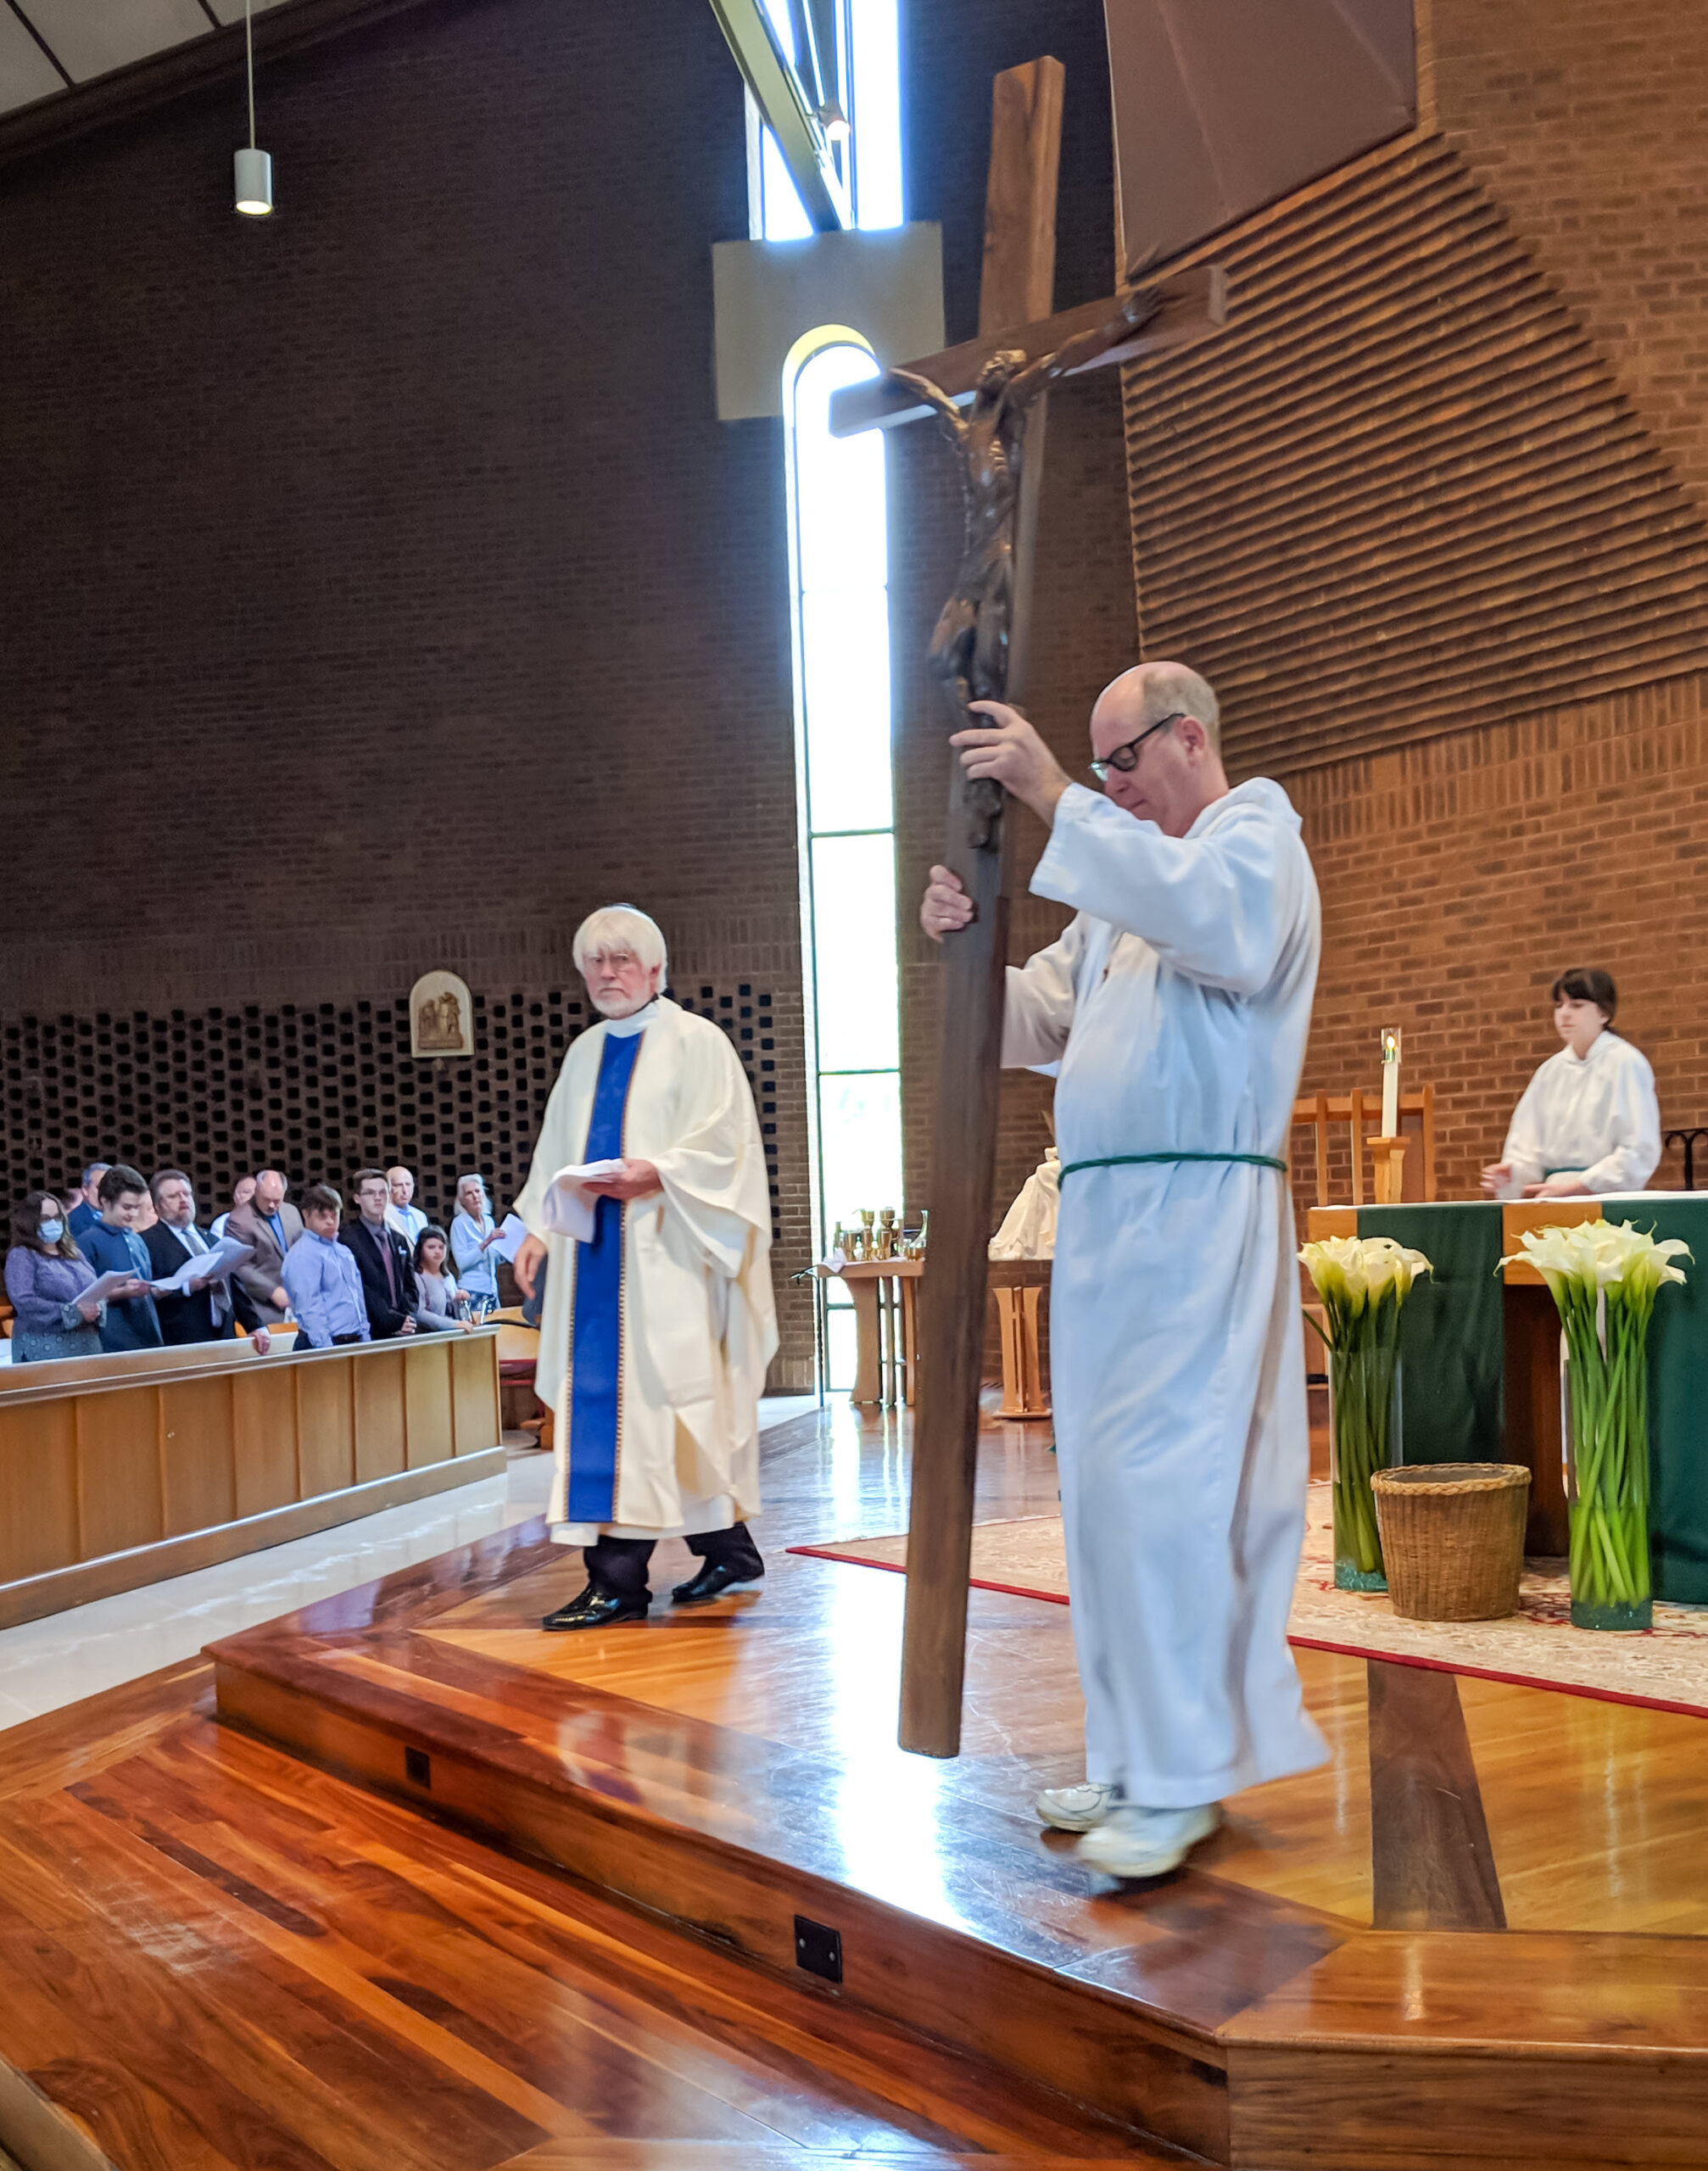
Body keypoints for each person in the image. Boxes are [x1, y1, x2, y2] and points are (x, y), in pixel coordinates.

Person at [919, 661, 1325, 1879]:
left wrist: (1050, 792)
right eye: (1093, 767)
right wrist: (961, 949)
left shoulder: (1254, 846)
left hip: (1197, 1213)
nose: (1106, 787)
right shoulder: (1120, 896)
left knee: (1170, 1487)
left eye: (1118, 762)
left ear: (1185, 737)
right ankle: (1140, 1757)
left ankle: (1181, 1777)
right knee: (1101, 1494)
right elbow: (1035, 1019)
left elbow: (1213, 926)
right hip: (1106, 1221)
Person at [511, 904, 777, 1630]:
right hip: (594, 1265)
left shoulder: (699, 1043)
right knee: (641, 1421)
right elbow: (555, 1154)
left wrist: (655, 1171)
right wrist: (537, 1226)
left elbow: (727, 1147)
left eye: (622, 959)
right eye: (595, 961)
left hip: (668, 1264)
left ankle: (620, 1584)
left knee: (661, 1416)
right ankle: (727, 1551)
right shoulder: (584, 1053)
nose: (607, 972)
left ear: (658, 968)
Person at [1481, 968, 1661, 1199]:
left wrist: (1578, 1187)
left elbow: (1639, 1148)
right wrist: (1512, 1173)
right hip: (1552, 1196)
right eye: (1559, 1005)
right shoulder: (1550, 1072)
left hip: (1608, 1197)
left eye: (1576, 1005)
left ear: (1604, 1013)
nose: (1564, 1014)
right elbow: (1527, 1144)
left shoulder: (1626, 1063)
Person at [3, 1192, 127, 1362]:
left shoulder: (74, 1253)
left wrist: (97, 1306)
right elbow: (24, 1300)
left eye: (57, 1217)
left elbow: (94, 1289)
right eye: (45, 1219)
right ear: (30, 1222)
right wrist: (72, 1312)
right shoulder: (23, 1255)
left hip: (87, 1347)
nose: (53, 1223)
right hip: (45, 1351)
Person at [342, 1169, 436, 1339]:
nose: (378, 1198)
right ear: (357, 1198)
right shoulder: (348, 1239)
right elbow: (361, 1289)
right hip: (370, 1330)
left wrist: (407, 1318)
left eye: (382, 1192)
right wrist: (391, 1322)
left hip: (403, 1326)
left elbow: (410, 1285)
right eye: (370, 1193)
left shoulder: (398, 1238)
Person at [79, 1164, 165, 1352]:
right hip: (112, 1339)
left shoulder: (136, 1239)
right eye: (127, 1207)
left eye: (137, 1207)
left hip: (147, 1332)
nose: (133, 1214)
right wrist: (122, 1292)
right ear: (105, 1202)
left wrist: (157, 1290)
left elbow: (146, 1283)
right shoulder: (87, 1241)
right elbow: (81, 1299)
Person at [142, 1170, 232, 1344]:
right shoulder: (147, 1242)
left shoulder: (211, 1239)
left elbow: (234, 1286)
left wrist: (255, 1326)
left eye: (186, 1194)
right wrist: (185, 1287)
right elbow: (148, 1292)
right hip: (182, 1338)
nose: (183, 1199)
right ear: (157, 1206)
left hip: (224, 1336)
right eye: (173, 1196)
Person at [282, 1185, 370, 1348]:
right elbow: (310, 1309)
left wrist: (365, 1336)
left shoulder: (344, 1251)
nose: (330, 1221)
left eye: (334, 1215)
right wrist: (326, 1351)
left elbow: (358, 1298)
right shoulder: (303, 1255)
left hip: (353, 1339)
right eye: (322, 1216)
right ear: (306, 1215)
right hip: (323, 1344)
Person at [228, 1169, 304, 1327]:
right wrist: (271, 1291)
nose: (271, 1205)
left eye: (277, 1200)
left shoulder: (292, 1212)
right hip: (263, 1306)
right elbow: (238, 1265)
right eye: (266, 1199)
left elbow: (301, 1251)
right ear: (256, 1190)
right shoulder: (239, 1220)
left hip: (299, 1301)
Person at [449, 1175, 502, 1313]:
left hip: (491, 1290)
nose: (475, 1196)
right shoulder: (459, 1223)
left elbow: (493, 1258)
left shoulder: (489, 1220)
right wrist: (486, 1242)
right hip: (472, 1290)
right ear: (462, 1200)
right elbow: (462, 1262)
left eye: (478, 1191)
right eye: (469, 1193)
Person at [412, 1225, 466, 1330]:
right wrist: (452, 1325)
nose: (437, 1251)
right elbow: (419, 1313)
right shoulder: (417, 1277)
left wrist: (461, 1300)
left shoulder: (448, 1276)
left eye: (441, 1247)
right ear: (420, 1249)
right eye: (431, 1247)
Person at [386, 1166, 428, 1247]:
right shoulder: (382, 1216)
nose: (405, 1190)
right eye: (398, 1185)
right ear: (388, 1187)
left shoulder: (420, 1216)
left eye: (408, 1184)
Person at [66, 1162, 110, 1239]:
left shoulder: (121, 1217)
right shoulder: (76, 1221)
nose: (107, 1192)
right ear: (86, 1190)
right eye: (100, 1187)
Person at [211, 1174, 256, 1242]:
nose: (253, 1196)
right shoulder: (222, 1223)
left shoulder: (267, 1222)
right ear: (235, 1197)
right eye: (247, 1192)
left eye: (256, 1193)